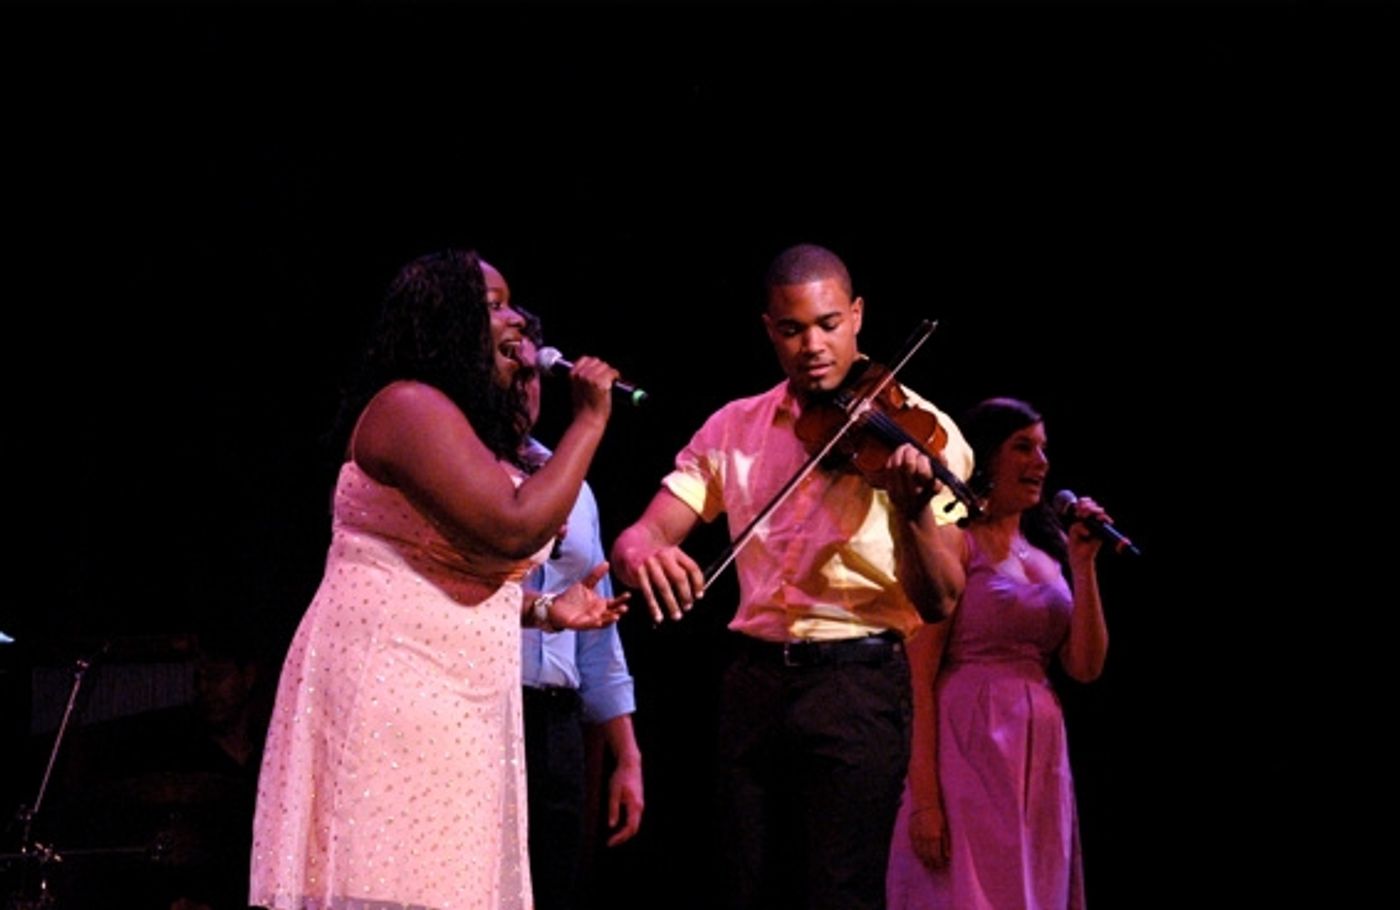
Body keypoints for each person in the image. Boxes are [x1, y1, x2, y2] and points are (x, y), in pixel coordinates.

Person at [249, 249, 628, 910]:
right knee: (395, 887)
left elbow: (437, 572)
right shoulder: (408, 407)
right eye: (494, 305)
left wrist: (541, 612)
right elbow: (512, 527)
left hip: (450, 701)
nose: (516, 320)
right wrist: (591, 421)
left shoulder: (453, 428)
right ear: (444, 320)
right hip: (393, 694)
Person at [611, 243, 974, 910]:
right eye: (792, 328)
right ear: (768, 330)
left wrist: (913, 508)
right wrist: (639, 552)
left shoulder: (923, 431)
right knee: (747, 887)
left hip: (857, 684)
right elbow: (647, 530)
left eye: (829, 324)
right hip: (753, 681)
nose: (813, 345)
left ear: (858, 315)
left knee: (840, 892)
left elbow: (942, 595)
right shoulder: (734, 427)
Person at [885, 397, 1112, 910]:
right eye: (1023, 447)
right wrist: (924, 801)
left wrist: (1083, 565)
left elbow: (1084, 666)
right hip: (969, 740)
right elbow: (918, 678)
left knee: (1032, 887)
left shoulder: (1049, 552)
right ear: (987, 457)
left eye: (1043, 449)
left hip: (1040, 746)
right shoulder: (956, 542)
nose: (1041, 462)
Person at [483, 261, 644, 910]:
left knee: (554, 887)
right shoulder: (457, 465)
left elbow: (598, 622)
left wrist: (626, 751)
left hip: (555, 723)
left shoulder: (570, 483)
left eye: (533, 375)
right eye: (511, 370)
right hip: (484, 705)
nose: (526, 387)